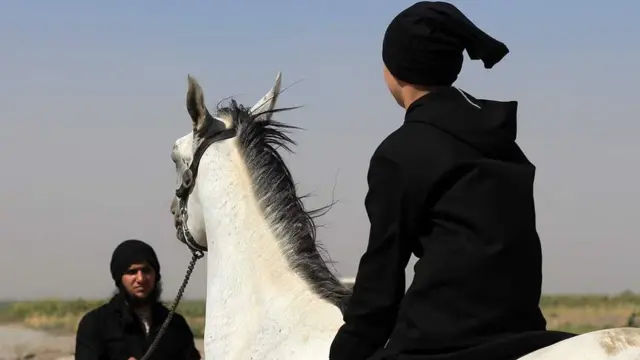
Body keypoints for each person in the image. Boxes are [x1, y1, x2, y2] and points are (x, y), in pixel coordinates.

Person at [329, 2, 576, 360]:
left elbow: (382, 278)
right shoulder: (502, 140)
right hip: (521, 330)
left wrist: (349, 349)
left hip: (444, 340)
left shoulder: (401, 152)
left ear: (393, 71)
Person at [75, 239, 201, 360]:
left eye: (146, 271)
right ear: (120, 278)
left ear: (155, 276)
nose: (140, 279)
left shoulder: (175, 324)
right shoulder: (95, 324)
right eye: (132, 272)